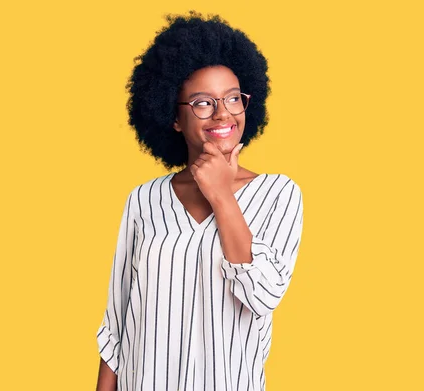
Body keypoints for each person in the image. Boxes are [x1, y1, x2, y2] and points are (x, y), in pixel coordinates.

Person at [95, 11, 304, 391]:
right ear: (173, 118)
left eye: (233, 98)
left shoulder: (279, 194)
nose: (223, 112)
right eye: (203, 102)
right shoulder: (144, 200)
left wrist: (221, 194)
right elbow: (117, 322)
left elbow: (263, 294)